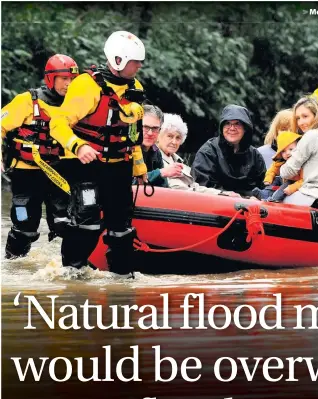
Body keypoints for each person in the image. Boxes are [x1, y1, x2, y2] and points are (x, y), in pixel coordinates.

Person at [50, 31, 148, 277]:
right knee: (88, 223)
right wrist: (78, 146)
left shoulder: (135, 87)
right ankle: (71, 274)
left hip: (119, 167)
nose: (139, 66)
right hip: (86, 165)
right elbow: (58, 123)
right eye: (135, 61)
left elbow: (132, 136)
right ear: (118, 60)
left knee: (121, 229)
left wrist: (140, 168)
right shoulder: (87, 85)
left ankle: (122, 279)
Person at [1, 54, 79, 258]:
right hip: (26, 174)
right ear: (51, 78)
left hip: (60, 174)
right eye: (64, 79)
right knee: (24, 228)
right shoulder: (27, 101)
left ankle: (60, 272)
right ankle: (12, 266)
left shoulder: (78, 106)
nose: (69, 85)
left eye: (72, 79)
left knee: (64, 226)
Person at [192, 104, 266, 197]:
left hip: (249, 206)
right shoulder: (208, 152)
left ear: (245, 128)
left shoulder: (255, 155)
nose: (232, 128)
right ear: (222, 127)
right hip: (215, 204)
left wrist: (254, 198)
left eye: (237, 124)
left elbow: (263, 186)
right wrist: (226, 195)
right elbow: (201, 185)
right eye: (227, 123)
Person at [157, 113, 238, 196]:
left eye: (178, 138)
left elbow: (195, 187)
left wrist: (222, 194)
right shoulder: (154, 158)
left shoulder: (178, 161)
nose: (174, 142)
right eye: (170, 136)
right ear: (158, 136)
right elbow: (178, 189)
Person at [252, 131, 302, 202]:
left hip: (294, 183)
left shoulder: (302, 162)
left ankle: (274, 199)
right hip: (283, 180)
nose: (287, 153)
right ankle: (266, 193)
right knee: (276, 179)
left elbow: (305, 181)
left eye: (291, 149)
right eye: (283, 151)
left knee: (285, 186)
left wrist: (292, 188)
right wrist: (268, 178)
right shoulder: (281, 161)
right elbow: (272, 169)